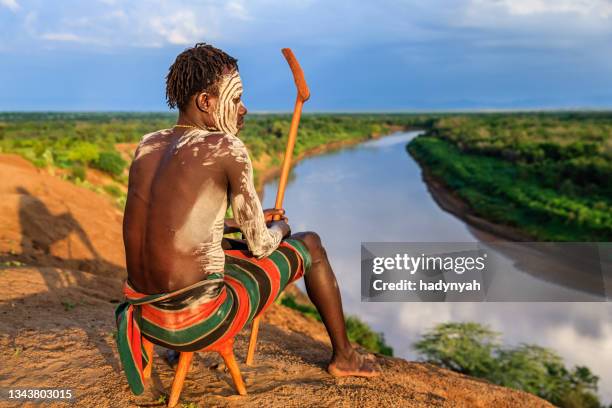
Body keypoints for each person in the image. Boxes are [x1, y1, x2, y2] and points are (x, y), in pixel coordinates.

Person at [115, 43, 378, 396]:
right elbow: (260, 245)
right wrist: (281, 228)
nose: (244, 109)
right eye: (236, 100)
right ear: (206, 102)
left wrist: (239, 223)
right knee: (311, 244)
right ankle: (345, 356)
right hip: (201, 322)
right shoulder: (227, 148)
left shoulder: (148, 145)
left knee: (225, 244)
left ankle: (179, 353)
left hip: (147, 316)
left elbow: (176, 228)